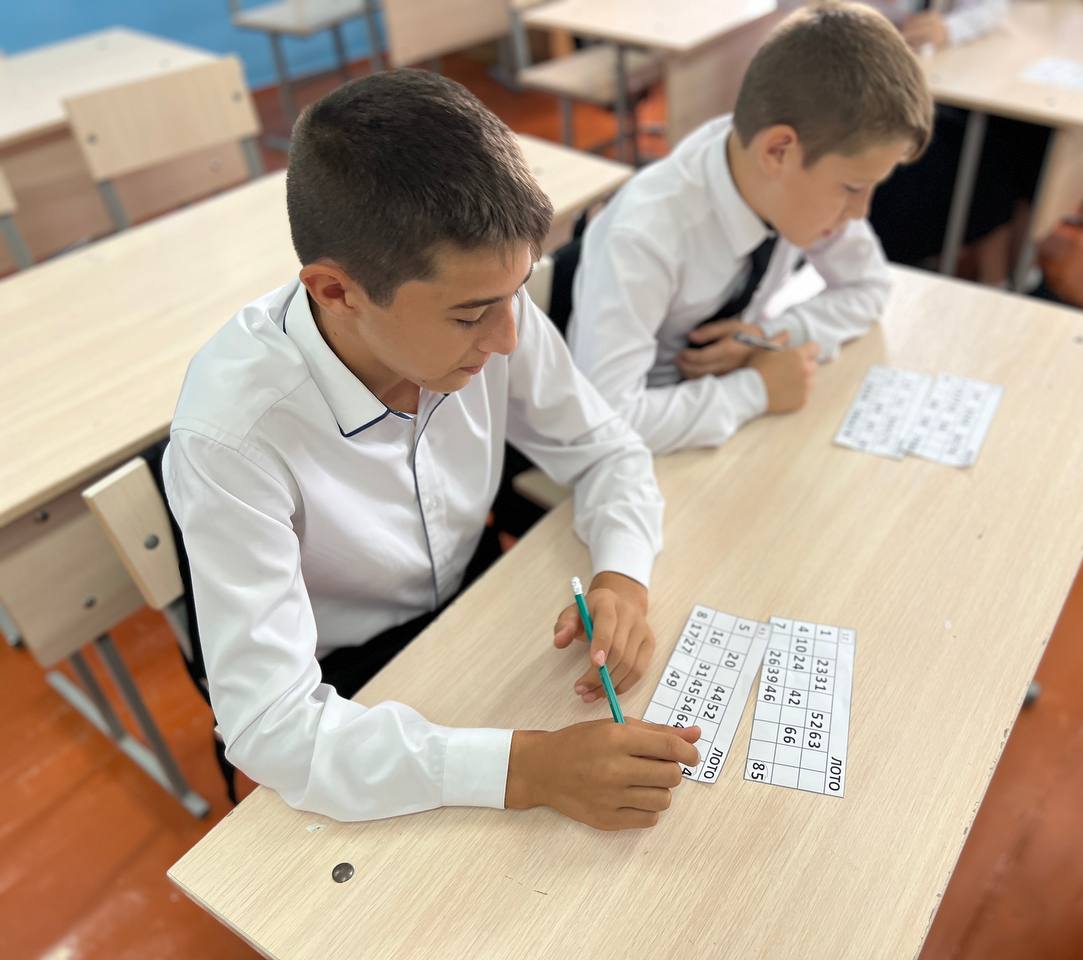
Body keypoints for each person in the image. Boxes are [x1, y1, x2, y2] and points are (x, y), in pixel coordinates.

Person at [163, 69, 699, 829]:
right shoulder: (232, 437)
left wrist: (623, 576)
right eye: (472, 316)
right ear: (336, 291)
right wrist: (528, 769)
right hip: (352, 678)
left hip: (476, 600)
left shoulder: (486, 304)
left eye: (518, 293)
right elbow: (272, 724)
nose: (508, 338)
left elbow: (607, 449)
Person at [566, 1, 932, 455]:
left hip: (708, 432)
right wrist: (756, 389)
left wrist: (771, 338)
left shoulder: (787, 184)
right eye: (853, 188)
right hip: (637, 452)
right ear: (778, 152)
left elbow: (869, 285)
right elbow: (604, 422)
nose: (860, 212)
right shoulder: (647, 234)